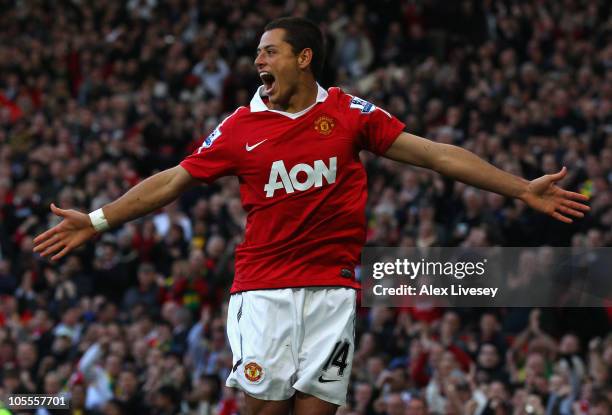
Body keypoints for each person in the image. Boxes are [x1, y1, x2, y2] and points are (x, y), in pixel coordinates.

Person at [33, 16, 590, 415]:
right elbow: (172, 181)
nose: (258, 61)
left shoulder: (348, 113)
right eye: (257, 53)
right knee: (264, 408)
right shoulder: (239, 127)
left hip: (332, 288)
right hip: (264, 288)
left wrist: (519, 190)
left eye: (269, 51)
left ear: (303, 58)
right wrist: (98, 219)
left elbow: (434, 154)